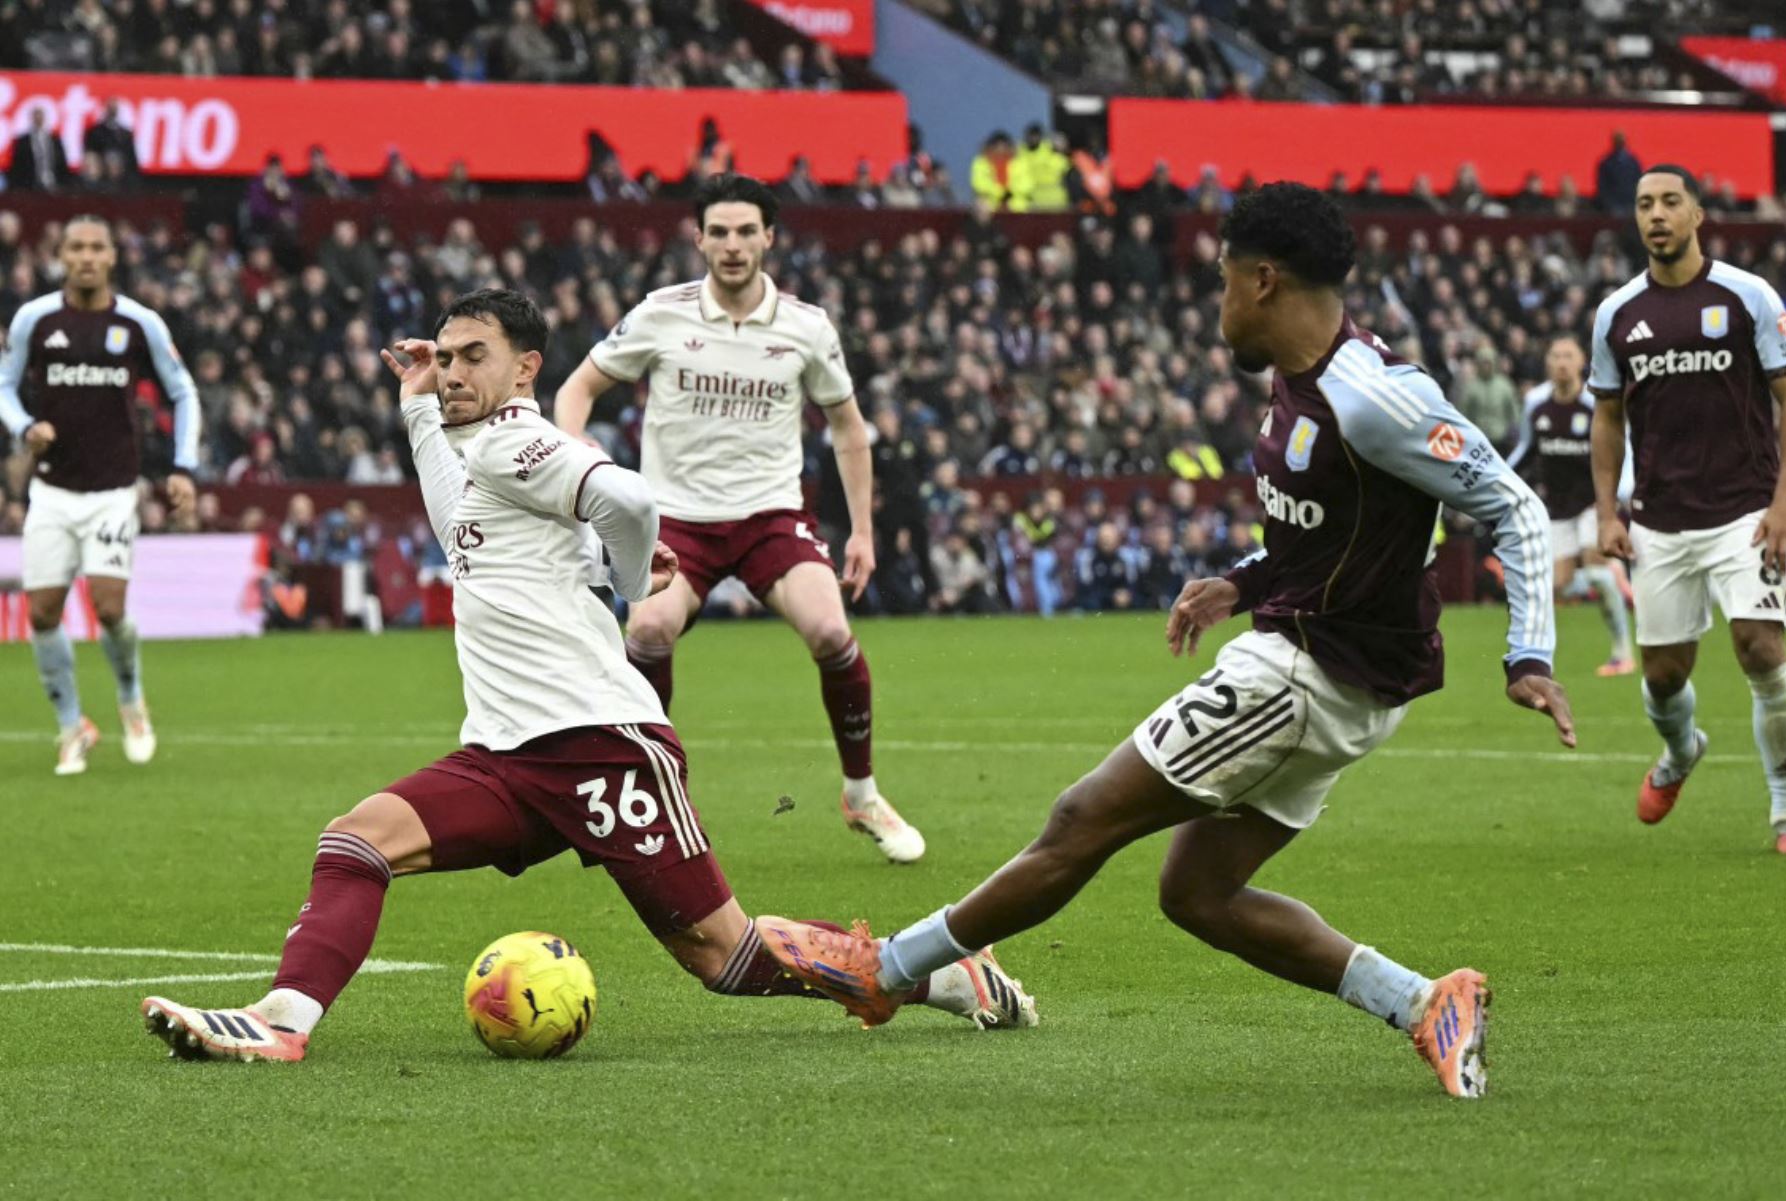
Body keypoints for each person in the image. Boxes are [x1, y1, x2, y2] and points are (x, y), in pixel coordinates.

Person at [753, 183, 1574, 1100]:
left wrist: (1529, 654)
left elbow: (1515, 505)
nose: (1216, 302)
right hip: (1332, 674)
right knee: (1198, 896)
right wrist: (1244, 579)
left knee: (1079, 821)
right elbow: (1339, 531)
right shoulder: (1303, 382)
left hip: (1303, 677)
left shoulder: (1373, 395)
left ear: (1263, 281)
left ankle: (891, 969)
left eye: (1223, 280)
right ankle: (1426, 1001)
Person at [137, 290, 1033, 1064]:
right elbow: (458, 532)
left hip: (602, 746)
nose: (451, 371)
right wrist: (416, 406)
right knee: (356, 841)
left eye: (471, 358)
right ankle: (278, 1022)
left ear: (526, 369)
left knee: (724, 957)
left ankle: (938, 969)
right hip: (508, 754)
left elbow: (631, 500)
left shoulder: (515, 440)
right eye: (443, 357)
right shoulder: (483, 450)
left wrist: (628, 576)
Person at [552, 174, 925, 864]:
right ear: (698, 239)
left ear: (768, 239)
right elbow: (577, 387)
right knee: (651, 630)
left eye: (745, 231)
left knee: (830, 629)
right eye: (718, 231)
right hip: (678, 521)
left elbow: (849, 428)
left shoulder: (806, 327)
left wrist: (863, 530)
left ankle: (862, 793)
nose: (732, 245)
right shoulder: (661, 314)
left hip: (770, 515)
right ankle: (652, 793)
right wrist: (576, 448)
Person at [1588, 164, 1786, 852]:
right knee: (1663, 674)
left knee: (1759, 646)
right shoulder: (1617, 313)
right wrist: (1607, 513)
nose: (1656, 214)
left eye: (1670, 202)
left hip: (1746, 511)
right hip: (1658, 517)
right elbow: (1608, 417)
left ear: (1697, 214)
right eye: (1646, 203)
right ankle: (1681, 750)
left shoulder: (1749, 295)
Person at [0, 215, 200, 775]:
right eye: (76, 247)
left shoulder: (138, 323)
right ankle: (72, 728)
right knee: (42, 614)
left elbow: (183, 390)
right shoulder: (34, 319)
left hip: (113, 490)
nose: (87, 256)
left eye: (97, 247)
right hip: (52, 491)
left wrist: (183, 466)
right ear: (60, 255)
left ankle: (131, 699)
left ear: (112, 256)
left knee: (109, 608)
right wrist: (23, 428)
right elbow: (4, 384)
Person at [1506, 334, 1635, 676]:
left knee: (1594, 569)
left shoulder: (1594, 404)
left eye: (1568, 355)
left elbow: (1620, 445)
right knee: (1557, 585)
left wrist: (1623, 492)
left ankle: (1622, 654)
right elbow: (1526, 450)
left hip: (1595, 502)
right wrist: (1499, 479)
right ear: (1548, 362)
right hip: (1556, 507)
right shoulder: (1536, 403)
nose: (1562, 362)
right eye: (1556, 355)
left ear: (1581, 362)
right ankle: (1616, 577)